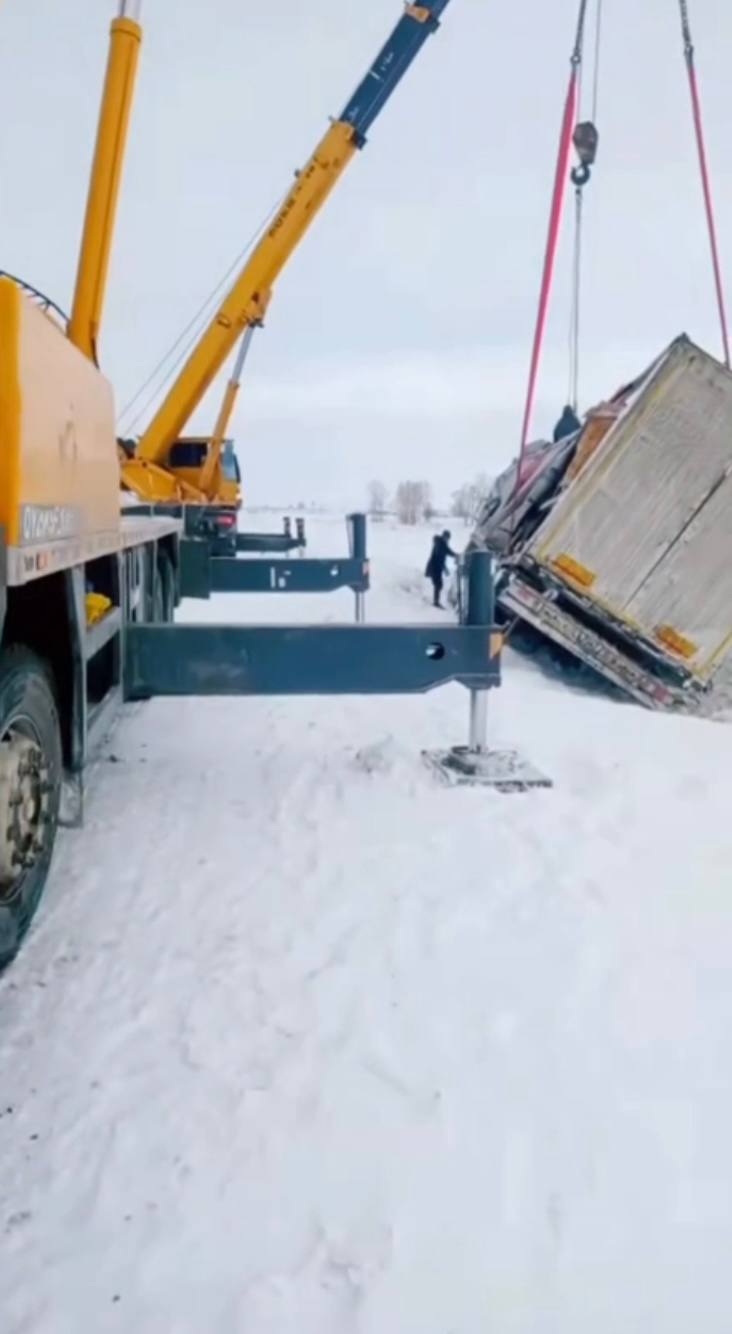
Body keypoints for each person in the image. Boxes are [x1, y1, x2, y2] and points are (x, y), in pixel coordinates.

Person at [425, 530, 457, 609]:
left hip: (436, 567)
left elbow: (446, 552)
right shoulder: (440, 544)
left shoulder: (441, 544)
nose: (447, 540)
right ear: (444, 536)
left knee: (438, 585)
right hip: (434, 567)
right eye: (446, 538)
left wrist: (455, 555)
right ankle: (436, 602)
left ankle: (436, 602)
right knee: (438, 584)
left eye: (448, 538)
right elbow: (442, 555)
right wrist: (445, 568)